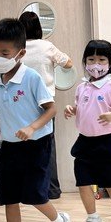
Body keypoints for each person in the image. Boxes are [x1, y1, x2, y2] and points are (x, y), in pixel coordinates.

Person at [0, 17, 71, 222]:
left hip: (36, 146)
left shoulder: (32, 78)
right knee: (9, 197)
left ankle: (59, 221)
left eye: (4, 53)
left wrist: (32, 127)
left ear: (20, 53)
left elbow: (51, 109)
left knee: (34, 195)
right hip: (9, 147)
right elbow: (1, 113)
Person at [64, 39, 111, 222]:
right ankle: (93, 218)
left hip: (106, 143)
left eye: (101, 59)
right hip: (84, 142)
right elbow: (82, 107)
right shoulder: (82, 87)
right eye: (91, 59)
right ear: (85, 62)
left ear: (109, 63)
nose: (96, 64)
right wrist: (72, 109)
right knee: (83, 182)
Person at [18, 10, 72, 200]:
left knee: (23, 147)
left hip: (22, 103)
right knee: (47, 147)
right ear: (39, 28)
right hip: (45, 105)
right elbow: (68, 63)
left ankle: (29, 189)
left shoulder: (17, 48)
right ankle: (52, 189)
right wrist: (51, 64)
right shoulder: (47, 47)